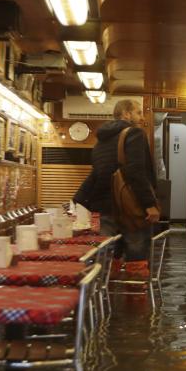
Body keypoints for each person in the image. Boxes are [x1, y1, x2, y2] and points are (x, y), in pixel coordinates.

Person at [74, 98, 160, 279]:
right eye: (138, 112)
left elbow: (96, 174)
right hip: (130, 207)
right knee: (137, 255)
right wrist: (149, 203)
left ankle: (106, 296)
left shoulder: (100, 142)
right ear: (126, 113)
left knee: (107, 255)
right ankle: (135, 300)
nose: (142, 118)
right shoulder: (134, 133)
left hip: (105, 207)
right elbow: (136, 171)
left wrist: (77, 201)